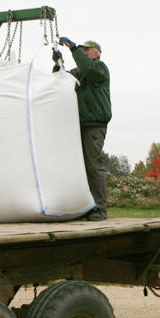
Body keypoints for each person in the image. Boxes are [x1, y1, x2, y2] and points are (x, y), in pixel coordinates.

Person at [55, 37, 111, 221]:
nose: (83, 52)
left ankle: (100, 209)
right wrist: (58, 64)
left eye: (86, 50)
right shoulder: (81, 71)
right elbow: (63, 79)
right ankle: (86, 207)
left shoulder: (99, 68)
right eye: (82, 50)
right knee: (80, 167)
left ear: (96, 52)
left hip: (94, 125)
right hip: (79, 124)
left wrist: (73, 48)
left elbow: (88, 67)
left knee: (93, 166)